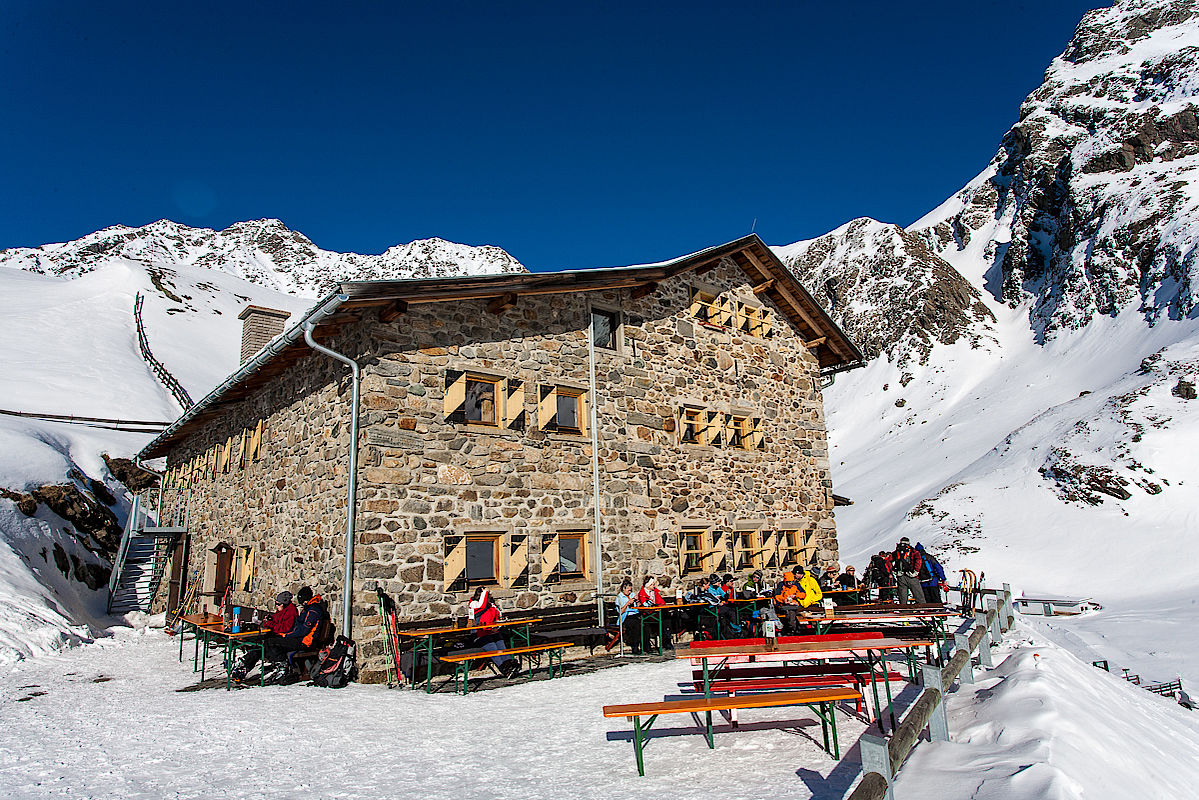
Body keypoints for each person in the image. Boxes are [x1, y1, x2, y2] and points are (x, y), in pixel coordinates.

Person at [259, 586, 330, 683]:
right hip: (300, 639)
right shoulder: (308, 608)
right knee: (269, 641)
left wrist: (287, 635)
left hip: (305, 642)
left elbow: (304, 630)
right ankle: (279, 665)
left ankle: (283, 666)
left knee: (272, 643)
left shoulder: (313, 610)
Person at [230, 590, 297, 679]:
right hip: (275, 634)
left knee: (263, 644)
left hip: (283, 637)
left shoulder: (291, 612)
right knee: (258, 642)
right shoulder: (281, 610)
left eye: (278, 604)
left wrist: (270, 624)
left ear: (284, 603)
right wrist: (269, 620)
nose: (276, 606)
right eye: (275, 604)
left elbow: (285, 628)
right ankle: (245, 663)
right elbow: (276, 621)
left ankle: (246, 662)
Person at [469, 588, 520, 678]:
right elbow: (481, 607)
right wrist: (485, 591)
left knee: (500, 643)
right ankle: (503, 668)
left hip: (491, 632)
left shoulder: (491, 606)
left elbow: (498, 617)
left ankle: (510, 664)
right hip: (479, 634)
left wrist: (497, 626)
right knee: (492, 647)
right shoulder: (474, 604)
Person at [703, 573, 741, 638]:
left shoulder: (718, 588)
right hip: (713, 607)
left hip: (720, 606)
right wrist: (719, 602)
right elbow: (712, 599)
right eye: (717, 582)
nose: (719, 583)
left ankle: (734, 628)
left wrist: (726, 595)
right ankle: (734, 627)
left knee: (731, 611)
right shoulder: (709, 589)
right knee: (728, 611)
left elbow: (723, 595)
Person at [636, 576, 669, 650]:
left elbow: (661, 602)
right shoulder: (642, 594)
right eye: (653, 584)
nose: (654, 586)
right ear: (648, 585)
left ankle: (667, 642)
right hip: (647, 615)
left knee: (666, 621)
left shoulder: (655, 592)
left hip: (656, 614)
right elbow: (646, 605)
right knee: (646, 626)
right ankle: (647, 646)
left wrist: (659, 605)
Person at [892, 538, 926, 604]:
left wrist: (895, 571)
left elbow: (888, 561)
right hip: (911, 575)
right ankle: (922, 610)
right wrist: (916, 571)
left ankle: (904, 612)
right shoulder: (913, 551)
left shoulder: (897, 551)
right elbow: (918, 560)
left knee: (903, 598)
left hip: (901, 576)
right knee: (919, 595)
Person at [616, 578, 642, 654]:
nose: (630, 592)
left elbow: (638, 607)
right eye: (628, 590)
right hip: (626, 617)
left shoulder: (632, 595)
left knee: (643, 624)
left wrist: (638, 602)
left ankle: (645, 646)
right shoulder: (619, 597)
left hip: (635, 615)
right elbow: (620, 611)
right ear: (623, 589)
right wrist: (628, 603)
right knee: (634, 624)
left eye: (631, 590)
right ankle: (635, 646)